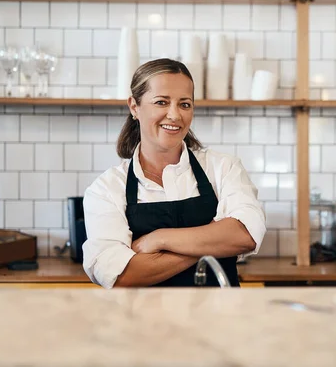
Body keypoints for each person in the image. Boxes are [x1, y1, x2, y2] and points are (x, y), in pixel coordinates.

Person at [82, 58, 266, 288]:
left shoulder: (223, 168)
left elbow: (245, 235)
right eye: (161, 102)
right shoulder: (107, 189)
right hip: (143, 323)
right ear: (134, 107)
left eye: (185, 104)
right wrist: (212, 241)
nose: (175, 115)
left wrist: (158, 240)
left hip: (219, 320)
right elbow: (121, 275)